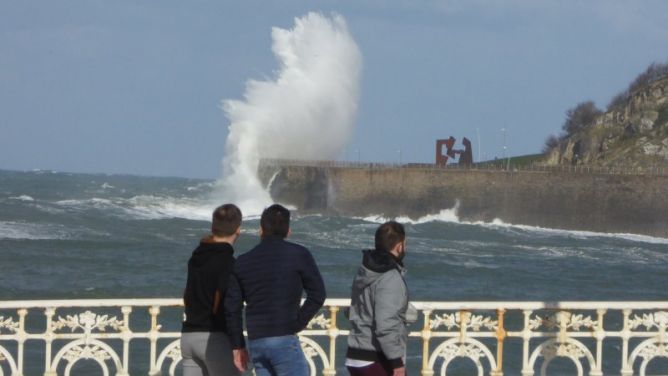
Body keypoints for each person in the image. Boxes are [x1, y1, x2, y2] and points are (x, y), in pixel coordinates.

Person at [225, 204, 326, 376]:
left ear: (261, 230)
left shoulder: (242, 262)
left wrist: (238, 346)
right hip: (284, 338)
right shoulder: (299, 254)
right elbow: (318, 294)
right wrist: (298, 323)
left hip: (256, 340)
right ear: (288, 231)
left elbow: (232, 308)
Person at [345, 221, 416, 376]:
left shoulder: (365, 270)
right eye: (405, 244)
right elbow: (386, 324)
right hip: (376, 358)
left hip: (356, 356)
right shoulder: (390, 277)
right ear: (399, 246)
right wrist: (396, 361)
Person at [181, 204, 244, 376]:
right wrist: (238, 344)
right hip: (214, 338)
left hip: (188, 337)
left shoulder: (195, 258)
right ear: (238, 230)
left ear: (212, 227)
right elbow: (229, 305)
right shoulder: (228, 263)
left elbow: (188, 294)